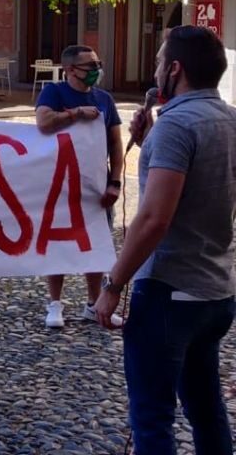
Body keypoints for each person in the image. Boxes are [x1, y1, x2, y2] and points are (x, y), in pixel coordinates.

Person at [94, 26, 236, 455]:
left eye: (158, 61)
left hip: (169, 292)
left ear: (175, 69)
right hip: (216, 291)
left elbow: (154, 218)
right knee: (207, 409)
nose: (154, 70)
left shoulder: (178, 126)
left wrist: (113, 285)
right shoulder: (229, 118)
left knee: (152, 418)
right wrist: (148, 133)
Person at [35, 44, 123, 328]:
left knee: (95, 244)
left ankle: (93, 304)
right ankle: (55, 304)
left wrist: (116, 181)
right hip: (58, 185)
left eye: (98, 64)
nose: (96, 71)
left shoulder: (105, 99)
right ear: (71, 69)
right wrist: (75, 114)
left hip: (96, 185)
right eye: (90, 66)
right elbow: (44, 122)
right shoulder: (54, 92)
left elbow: (116, 143)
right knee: (58, 244)